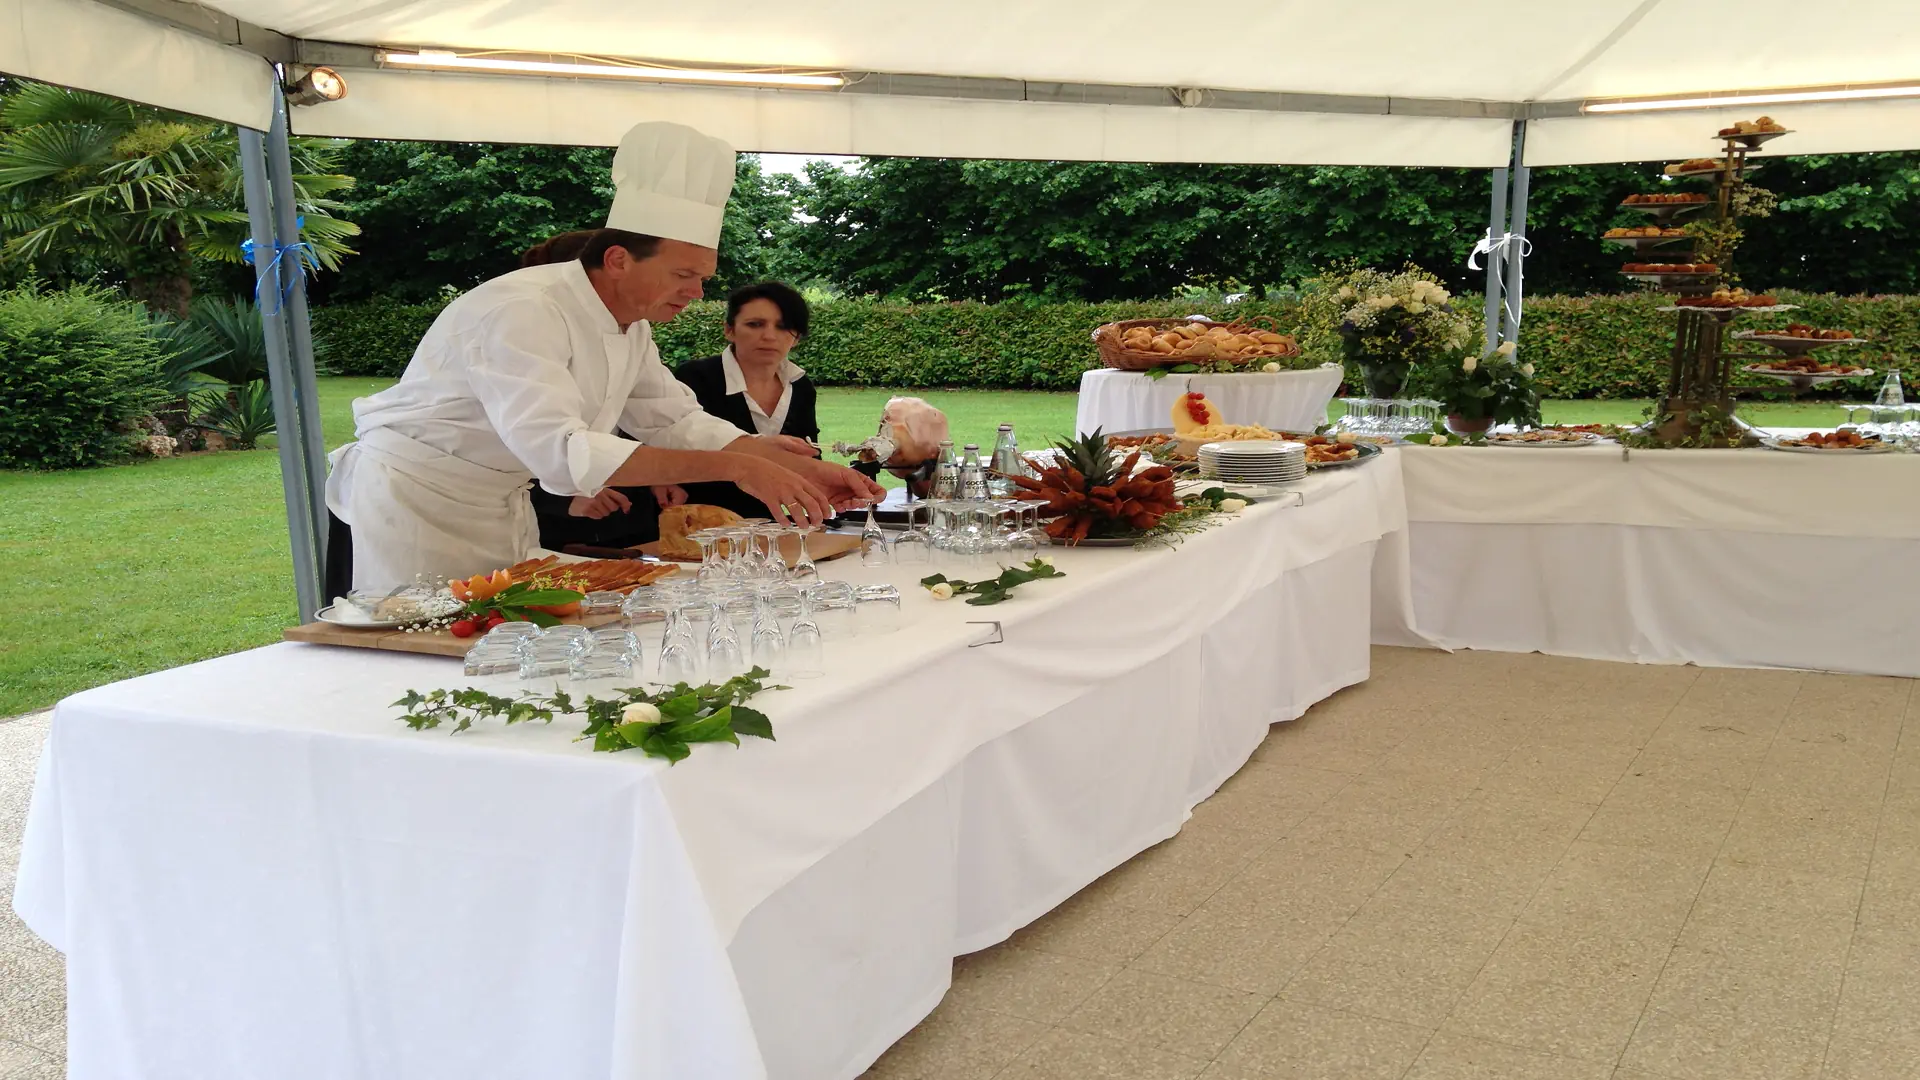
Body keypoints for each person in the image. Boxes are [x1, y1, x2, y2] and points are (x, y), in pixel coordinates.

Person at [324, 121, 882, 592]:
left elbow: (675, 420)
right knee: (424, 663)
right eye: (684, 275)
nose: (696, 293)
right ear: (618, 259)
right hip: (417, 502)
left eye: (704, 278)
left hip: (499, 502)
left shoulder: (629, 326)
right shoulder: (523, 309)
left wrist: (800, 467)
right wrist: (742, 467)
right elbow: (563, 452)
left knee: (509, 645)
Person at [519, 230, 686, 552]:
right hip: (548, 522)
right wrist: (563, 499)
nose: (694, 292)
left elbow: (660, 415)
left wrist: (752, 451)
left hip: (625, 520)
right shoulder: (525, 321)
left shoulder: (633, 330)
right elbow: (545, 442)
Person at [672, 282, 823, 520]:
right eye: (755, 324)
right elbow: (656, 442)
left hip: (772, 523)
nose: (769, 336)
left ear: (796, 338)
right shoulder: (694, 377)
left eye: (784, 327)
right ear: (729, 330)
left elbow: (810, 454)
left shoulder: (801, 387)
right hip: (700, 521)